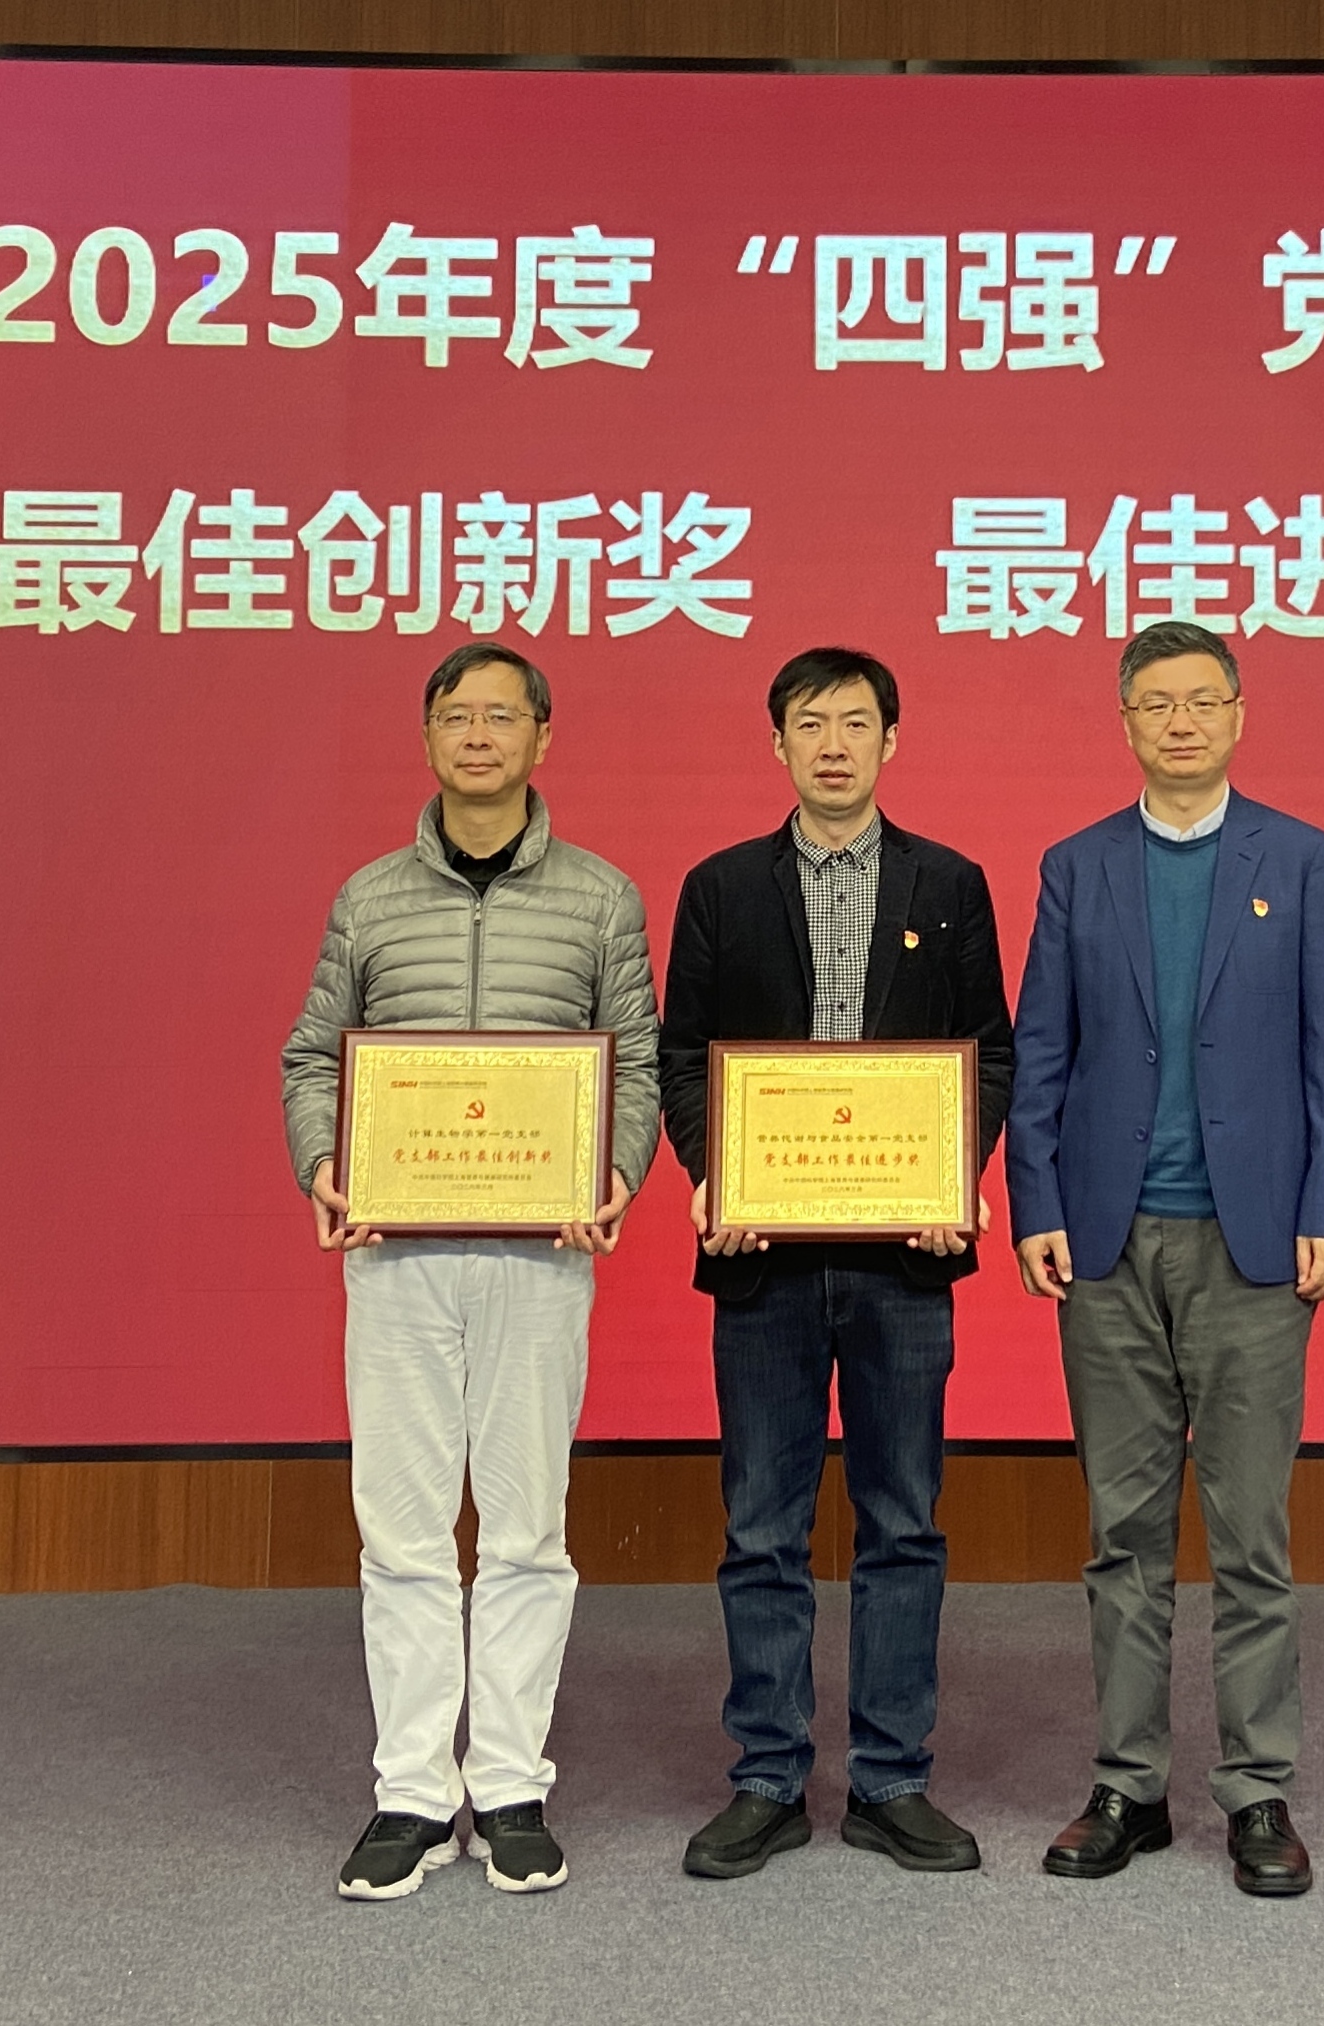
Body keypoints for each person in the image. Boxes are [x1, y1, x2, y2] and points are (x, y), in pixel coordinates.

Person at [281, 641, 660, 1902]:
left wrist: (616, 1172)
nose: (481, 735)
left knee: (527, 1529)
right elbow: (313, 1057)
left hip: (538, 1258)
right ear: (430, 737)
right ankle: (409, 1791)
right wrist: (325, 1163)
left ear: (543, 738)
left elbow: (635, 1061)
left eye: (504, 716)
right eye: (458, 715)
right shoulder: (370, 897)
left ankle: (507, 1784)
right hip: (396, 1254)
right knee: (400, 1531)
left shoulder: (601, 896)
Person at [1006, 619, 1324, 1898]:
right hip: (1106, 1242)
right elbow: (1041, 1051)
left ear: (1237, 715)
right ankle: (1129, 1782)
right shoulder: (1077, 865)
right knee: (1123, 1533)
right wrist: (1035, 1201)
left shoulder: (1302, 858)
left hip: (1254, 1244)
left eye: (1202, 700)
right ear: (1125, 722)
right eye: (1155, 703)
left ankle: (1259, 1789)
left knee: (1250, 1531)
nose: (1179, 722)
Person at [658, 647, 1014, 1879]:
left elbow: (990, 1050)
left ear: (890, 741)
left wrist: (953, 1174)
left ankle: (890, 1777)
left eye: (856, 723)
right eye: (809, 724)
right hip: (761, 1257)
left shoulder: (950, 883)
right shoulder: (720, 886)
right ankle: (766, 1776)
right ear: (777, 745)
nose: (833, 745)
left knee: (902, 1521)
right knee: (761, 1523)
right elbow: (685, 1055)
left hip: (901, 1262)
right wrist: (714, 1174)